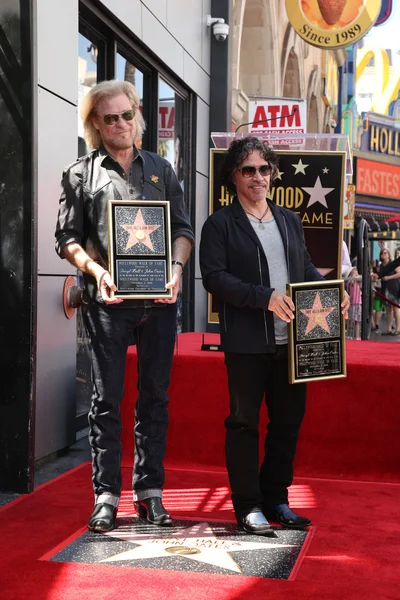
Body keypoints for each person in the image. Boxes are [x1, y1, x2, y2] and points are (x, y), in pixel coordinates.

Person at [55, 80, 194, 533]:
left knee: (155, 399)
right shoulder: (80, 173)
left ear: (138, 116)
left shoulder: (162, 170)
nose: (120, 124)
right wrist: (95, 272)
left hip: (158, 304)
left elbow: (184, 231)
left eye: (126, 115)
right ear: (96, 123)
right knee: (105, 401)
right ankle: (106, 496)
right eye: (109, 117)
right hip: (106, 304)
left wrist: (175, 269)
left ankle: (150, 494)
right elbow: (67, 240)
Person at [199, 137, 349, 536]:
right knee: (244, 424)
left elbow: (304, 269)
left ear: (273, 173)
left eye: (264, 169)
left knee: (287, 422)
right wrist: (264, 297)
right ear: (233, 175)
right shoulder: (218, 224)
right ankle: (248, 507)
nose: (258, 177)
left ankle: (277, 499)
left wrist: (332, 295)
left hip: (294, 344)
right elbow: (215, 279)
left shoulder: (288, 219)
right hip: (247, 343)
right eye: (248, 169)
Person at [378, 249, 400, 335]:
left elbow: (399, 273)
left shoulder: (393, 263)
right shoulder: (381, 266)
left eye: (385, 253)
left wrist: (388, 278)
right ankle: (389, 328)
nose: (383, 254)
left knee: (395, 309)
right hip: (385, 288)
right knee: (388, 309)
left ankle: (398, 329)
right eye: (382, 253)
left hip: (393, 288)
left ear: (389, 254)